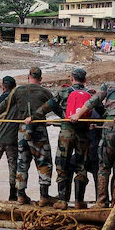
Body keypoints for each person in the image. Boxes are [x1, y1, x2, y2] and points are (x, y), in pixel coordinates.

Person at [71, 68, 115, 207]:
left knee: (104, 165)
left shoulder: (109, 85)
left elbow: (94, 101)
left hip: (109, 125)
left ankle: (101, 201)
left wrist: (77, 115)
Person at [0, 67, 53, 206]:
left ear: (28, 76)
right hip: (39, 131)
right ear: (41, 79)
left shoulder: (18, 91)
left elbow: (3, 106)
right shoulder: (45, 92)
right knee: (43, 162)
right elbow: (57, 107)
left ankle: (21, 195)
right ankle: (43, 196)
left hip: (22, 131)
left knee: (22, 163)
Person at [29, 68, 92, 210]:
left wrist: (33, 117)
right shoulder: (90, 93)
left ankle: (62, 200)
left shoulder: (64, 91)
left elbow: (48, 106)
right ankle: (78, 201)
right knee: (81, 166)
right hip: (83, 134)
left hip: (66, 133)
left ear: (71, 79)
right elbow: (99, 110)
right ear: (85, 80)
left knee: (62, 164)